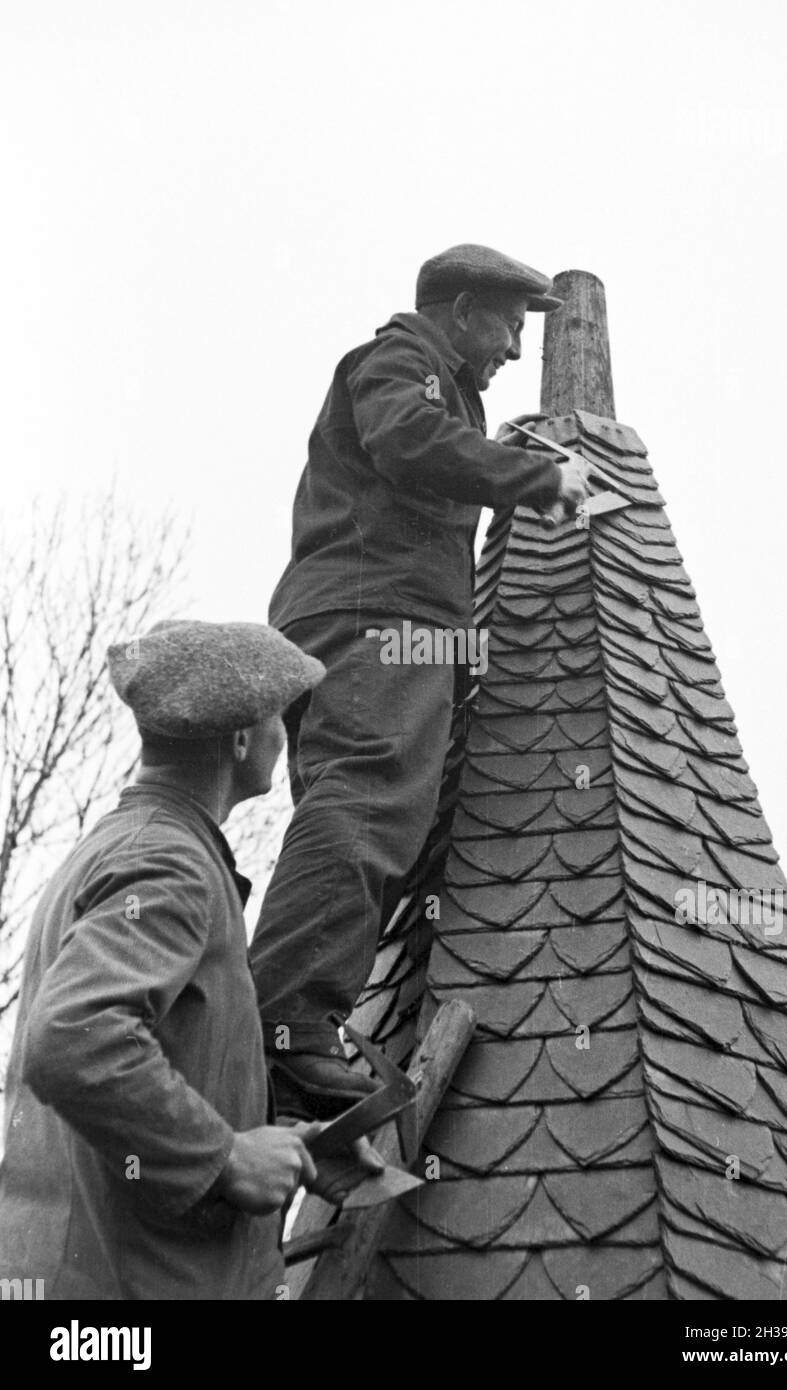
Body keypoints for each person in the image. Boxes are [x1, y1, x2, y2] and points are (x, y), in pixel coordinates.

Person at [250, 243, 591, 1121]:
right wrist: (541, 480)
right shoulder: (400, 360)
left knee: (378, 817)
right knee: (368, 798)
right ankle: (282, 1028)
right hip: (373, 617)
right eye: (511, 324)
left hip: (397, 626)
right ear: (465, 307)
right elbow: (408, 443)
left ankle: (298, 1037)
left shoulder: (451, 393)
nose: (515, 349)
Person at [0, 619, 379, 1301]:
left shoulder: (126, 846)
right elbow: (69, 1042)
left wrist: (281, 1145)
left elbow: (148, 1067)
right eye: (278, 717)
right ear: (238, 739)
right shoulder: (168, 863)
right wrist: (225, 1156)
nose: (283, 736)